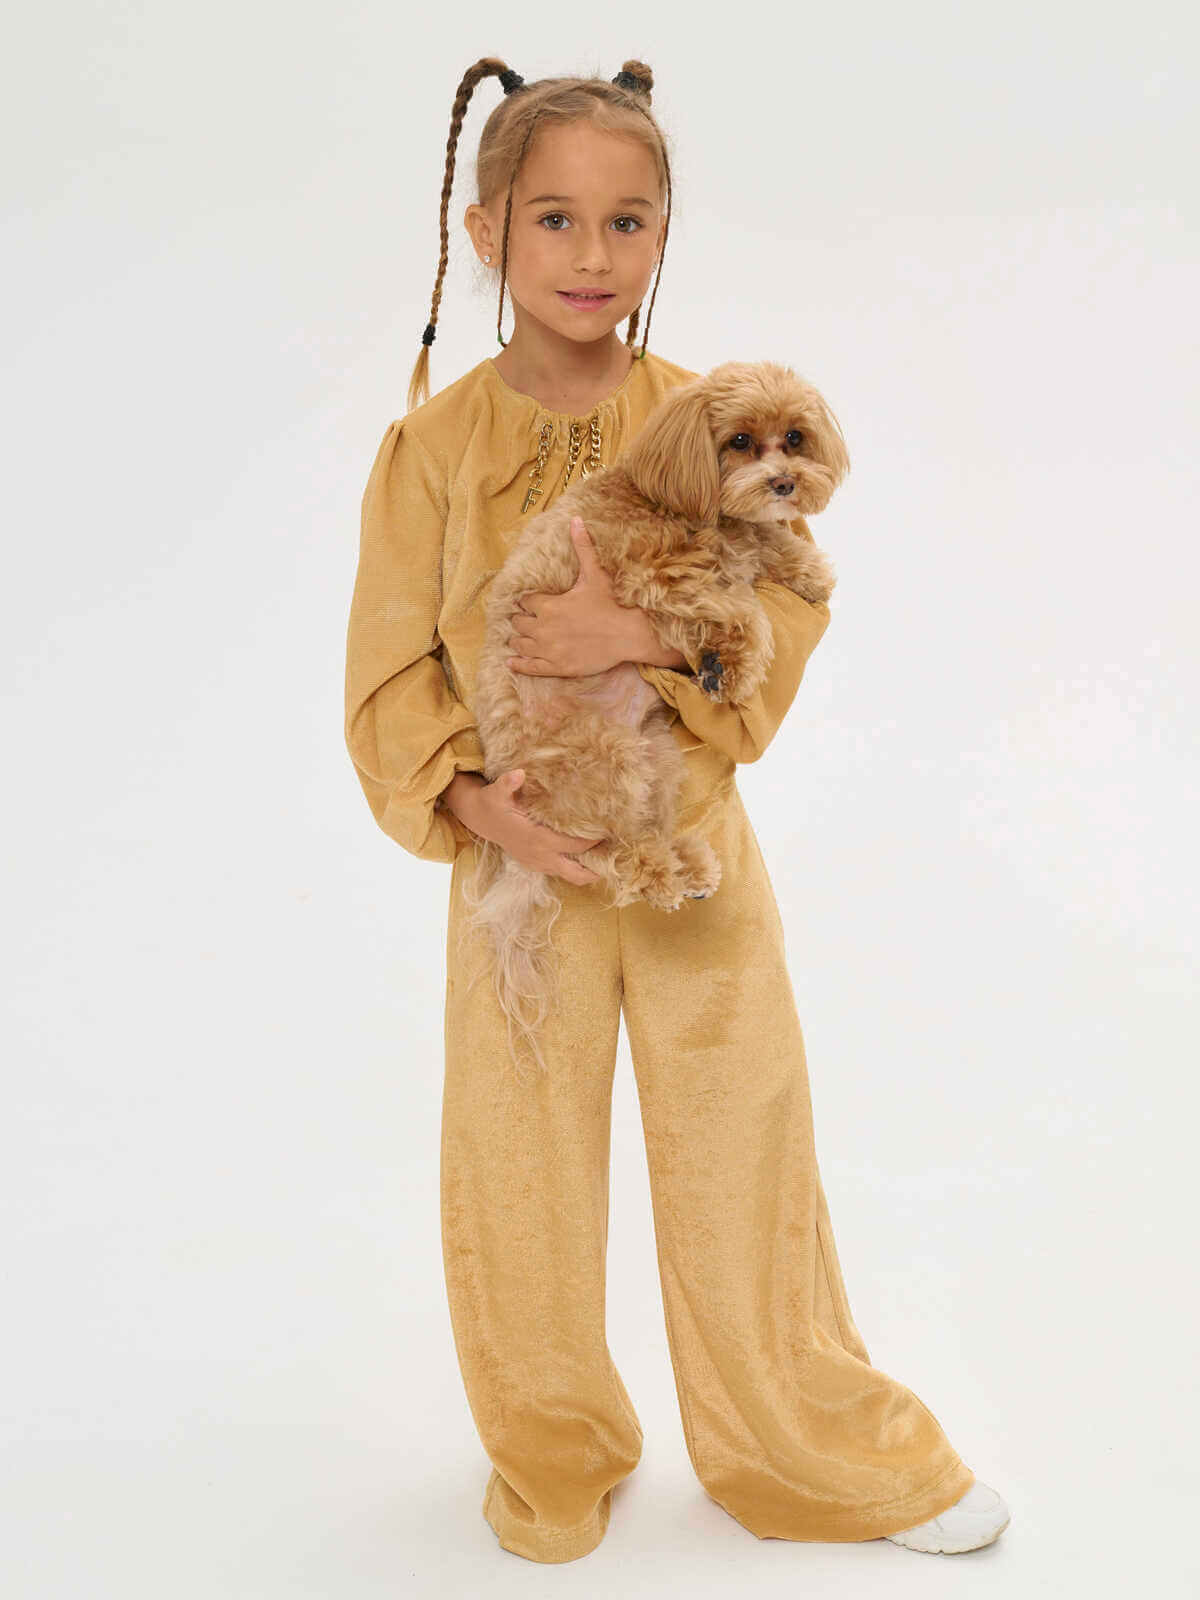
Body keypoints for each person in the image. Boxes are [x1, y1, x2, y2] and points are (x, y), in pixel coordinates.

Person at [343, 56, 1011, 1565]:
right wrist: (484, 812)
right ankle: (553, 1442)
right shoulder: (432, 450)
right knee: (518, 1165)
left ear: (662, 231)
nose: (593, 254)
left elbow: (783, 620)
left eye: (628, 220)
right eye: (555, 218)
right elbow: (386, 669)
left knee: (743, 1143)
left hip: (690, 846)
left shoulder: (709, 418)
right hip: (520, 851)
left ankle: (809, 1447)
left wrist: (635, 636)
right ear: (485, 230)